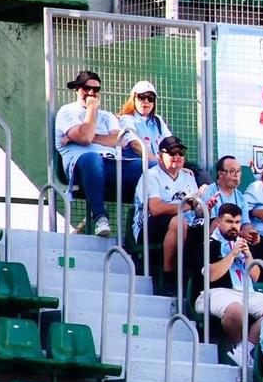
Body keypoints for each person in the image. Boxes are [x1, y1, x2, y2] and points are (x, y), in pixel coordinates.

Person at [55, 69, 141, 237]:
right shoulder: (67, 112)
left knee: (148, 166)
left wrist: (85, 137)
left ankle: (145, 224)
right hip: (82, 166)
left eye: (95, 89)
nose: (91, 93)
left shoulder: (107, 116)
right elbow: (85, 138)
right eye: (86, 88)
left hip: (112, 162)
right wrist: (91, 109)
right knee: (92, 159)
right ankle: (100, 217)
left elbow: (118, 140)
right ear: (77, 89)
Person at [194, 201, 263, 368]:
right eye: (229, 222)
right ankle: (236, 346)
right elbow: (211, 275)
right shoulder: (208, 243)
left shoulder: (244, 243)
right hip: (216, 291)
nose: (234, 226)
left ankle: (243, 350)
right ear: (218, 221)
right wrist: (232, 254)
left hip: (247, 292)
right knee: (236, 310)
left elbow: (256, 277)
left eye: (237, 222)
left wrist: (248, 255)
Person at [135, 136, 203, 292]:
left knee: (212, 226)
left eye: (181, 153)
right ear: (160, 156)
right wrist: (187, 206)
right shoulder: (151, 175)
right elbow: (156, 209)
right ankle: (169, 278)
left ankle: (201, 283)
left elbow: (196, 211)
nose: (177, 156)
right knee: (178, 222)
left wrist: (206, 207)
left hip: (184, 224)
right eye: (172, 153)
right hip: (149, 225)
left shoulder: (189, 178)